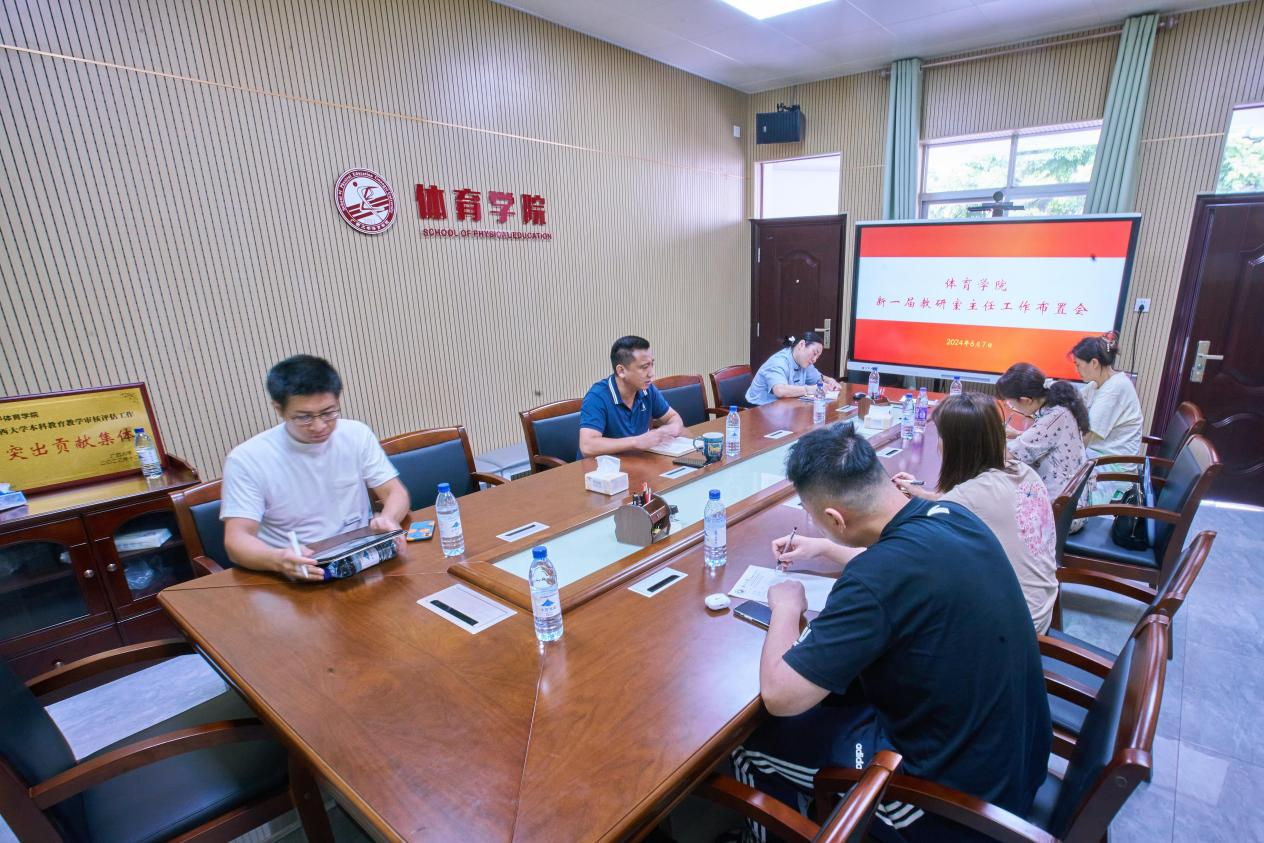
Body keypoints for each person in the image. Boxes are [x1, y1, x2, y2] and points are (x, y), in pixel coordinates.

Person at [737, 423, 1050, 842]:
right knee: (841, 695)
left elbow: (780, 696)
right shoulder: (953, 516)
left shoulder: (875, 579)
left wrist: (786, 607)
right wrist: (827, 548)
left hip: (948, 805)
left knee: (752, 744)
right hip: (1017, 760)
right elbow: (900, 567)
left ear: (834, 518)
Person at [221, 355, 409, 581]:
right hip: (296, 572)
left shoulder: (356, 434)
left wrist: (389, 519)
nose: (319, 426)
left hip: (360, 560)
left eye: (328, 413)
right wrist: (278, 560)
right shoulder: (247, 459)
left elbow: (395, 492)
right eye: (304, 417)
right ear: (279, 408)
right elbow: (236, 540)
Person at [891, 393, 1058, 634]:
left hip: (1016, 631)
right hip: (1040, 604)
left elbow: (906, 554)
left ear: (956, 446)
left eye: (941, 437)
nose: (938, 445)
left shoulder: (967, 498)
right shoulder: (1021, 470)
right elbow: (975, 503)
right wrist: (923, 494)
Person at [578, 336, 685, 458]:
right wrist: (636, 441)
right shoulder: (597, 396)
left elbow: (673, 417)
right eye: (644, 367)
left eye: (652, 364)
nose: (652, 373)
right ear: (621, 371)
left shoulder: (647, 389)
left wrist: (668, 430)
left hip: (636, 462)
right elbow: (587, 446)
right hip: (602, 467)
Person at [996, 362, 1090, 500]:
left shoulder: (1053, 418)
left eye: (1010, 403)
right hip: (1070, 496)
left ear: (1026, 400)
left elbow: (1007, 454)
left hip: (1057, 502)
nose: (1011, 407)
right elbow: (1048, 440)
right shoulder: (1059, 409)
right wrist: (1018, 434)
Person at [1071, 334, 1143, 504]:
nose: (1077, 370)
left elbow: (1086, 437)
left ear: (1094, 363)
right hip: (1101, 457)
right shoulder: (1098, 384)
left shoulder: (1113, 389)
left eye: (1078, 365)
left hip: (1113, 469)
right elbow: (1071, 405)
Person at [745, 331, 842, 406]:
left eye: (818, 357)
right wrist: (809, 389)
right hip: (758, 408)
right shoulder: (778, 362)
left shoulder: (804, 362)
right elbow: (780, 391)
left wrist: (830, 381)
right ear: (801, 345)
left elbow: (818, 379)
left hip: (784, 406)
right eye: (814, 353)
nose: (814, 359)